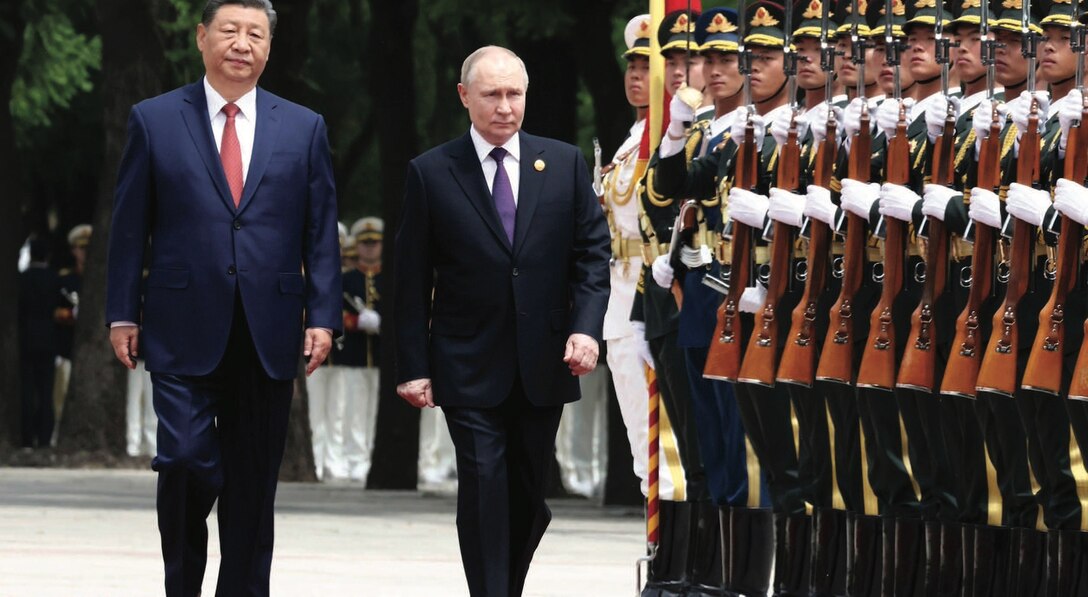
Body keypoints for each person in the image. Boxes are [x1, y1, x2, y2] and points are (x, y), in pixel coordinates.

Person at [104, 1, 341, 595]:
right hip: (180, 322)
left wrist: (324, 317)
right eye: (230, 31)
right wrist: (121, 311)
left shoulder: (303, 126)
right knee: (184, 460)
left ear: (268, 47)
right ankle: (181, 583)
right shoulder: (155, 119)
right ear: (202, 37)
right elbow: (130, 225)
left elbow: (321, 229)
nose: (242, 43)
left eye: (255, 34)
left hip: (270, 326)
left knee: (253, 484)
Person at [394, 45, 610, 597]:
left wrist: (585, 328)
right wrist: (413, 366)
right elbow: (411, 278)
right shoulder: (431, 172)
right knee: (485, 484)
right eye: (492, 94)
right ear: (465, 97)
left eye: (515, 93)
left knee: (528, 498)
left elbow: (591, 255)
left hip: (544, 360)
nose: (505, 107)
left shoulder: (563, 164)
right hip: (465, 361)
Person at [343, 216, 382, 482]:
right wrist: (357, 321)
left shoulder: (388, 277)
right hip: (354, 355)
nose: (369, 248)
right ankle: (356, 458)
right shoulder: (347, 280)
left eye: (374, 243)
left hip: (381, 356)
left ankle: (372, 454)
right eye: (365, 243)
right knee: (355, 410)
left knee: (377, 411)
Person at [19, 238, 61, 450]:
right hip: (48, 340)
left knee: (27, 390)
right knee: (46, 392)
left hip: (25, 340)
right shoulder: (54, 279)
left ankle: (27, 437)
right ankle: (44, 438)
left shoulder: (22, 279)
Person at [53, 223, 91, 446]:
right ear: (74, 250)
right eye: (81, 248)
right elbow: (54, 311)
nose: (84, 253)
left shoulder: (103, 277)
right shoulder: (65, 280)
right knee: (62, 398)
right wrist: (71, 314)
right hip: (67, 348)